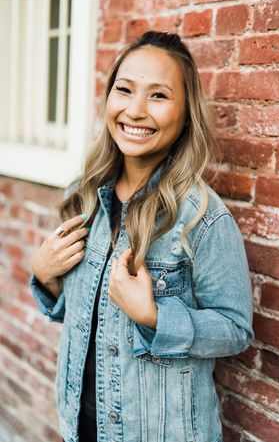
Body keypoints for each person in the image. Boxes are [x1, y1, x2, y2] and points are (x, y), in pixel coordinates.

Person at [30, 31, 254, 442]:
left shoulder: (202, 218)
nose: (135, 111)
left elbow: (236, 329)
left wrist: (154, 317)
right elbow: (84, 320)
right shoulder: (84, 198)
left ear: (187, 114)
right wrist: (44, 275)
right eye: (125, 90)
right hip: (80, 427)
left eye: (158, 96)